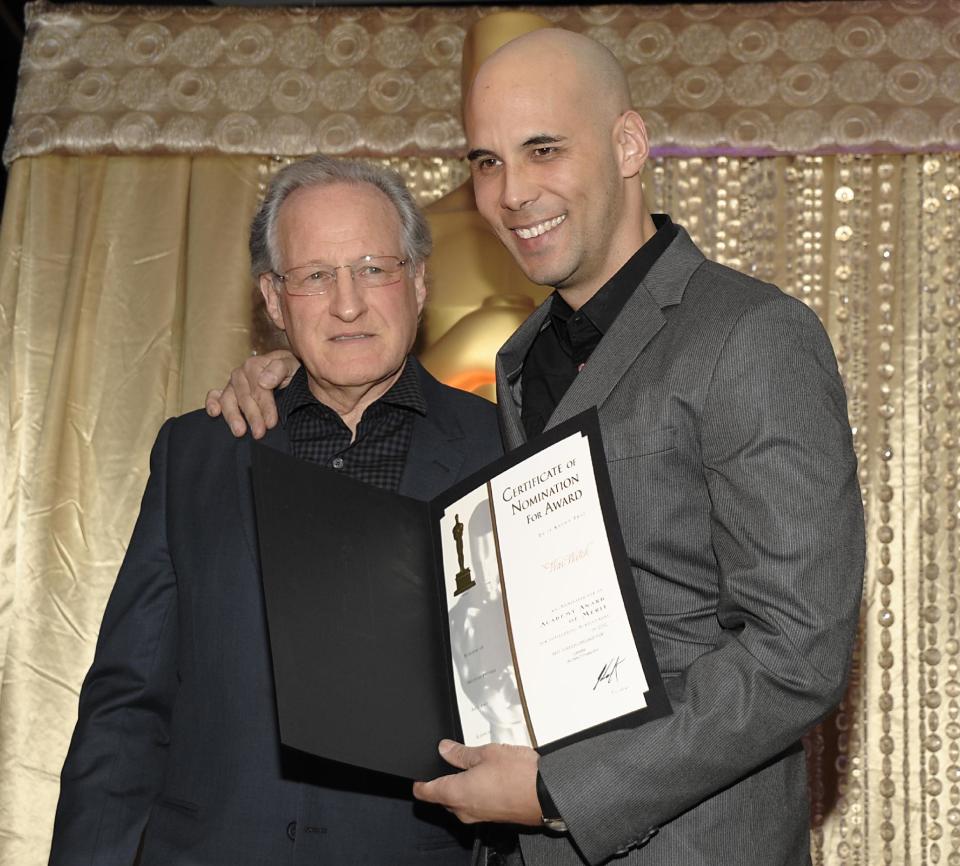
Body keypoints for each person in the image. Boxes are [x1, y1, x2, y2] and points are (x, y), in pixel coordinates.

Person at [207, 28, 865, 866]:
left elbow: (798, 653)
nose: (513, 192)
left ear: (629, 144)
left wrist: (560, 792)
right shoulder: (521, 360)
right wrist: (287, 375)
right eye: (487, 161)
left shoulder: (752, 333)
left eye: (544, 149)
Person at [48, 156, 502, 866]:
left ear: (418, 280)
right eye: (315, 276)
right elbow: (127, 705)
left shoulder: (504, 449)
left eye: (374, 267)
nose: (347, 304)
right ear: (272, 297)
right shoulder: (197, 453)